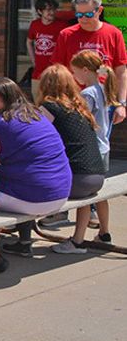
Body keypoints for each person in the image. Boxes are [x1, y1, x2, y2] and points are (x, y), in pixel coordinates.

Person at [0, 78, 72, 269]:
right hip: (61, 192)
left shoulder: (1, 123)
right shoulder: (36, 114)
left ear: (7, 100)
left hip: (36, 197)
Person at [34, 65, 107, 256]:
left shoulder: (49, 108)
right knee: (83, 196)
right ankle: (77, 241)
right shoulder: (80, 107)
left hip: (77, 180)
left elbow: (33, 137)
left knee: (27, 182)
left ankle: (25, 238)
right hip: (96, 177)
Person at [56, 51, 117, 253]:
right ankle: (104, 232)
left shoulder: (88, 94)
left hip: (93, 149)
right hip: (104, 146)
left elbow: (82, 121)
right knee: (99, 195)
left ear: (85, 70)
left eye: (75, 72)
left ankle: (78, 239)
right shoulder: (103, 88)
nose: (74, 77)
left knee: (85, 197)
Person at [53, 0, 127, 124]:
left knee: (100, 144)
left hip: (104, 101)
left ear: (99, 11)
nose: (83, 19)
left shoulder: (113, 33)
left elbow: (121, 71)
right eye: (79, 14)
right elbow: (58, 71)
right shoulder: (66, 35)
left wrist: (121, 103)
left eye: (88, 14)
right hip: (72, 101)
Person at [27, 0, 69, 102]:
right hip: (38, 72)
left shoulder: (62, 26)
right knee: (37, 102)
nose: (52, 12)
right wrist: (33, 60)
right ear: (40, 11)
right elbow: (29, 42)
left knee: (54, 102)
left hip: (55, 72)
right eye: (48, 10)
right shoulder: (35, 24)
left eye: (53, 9)